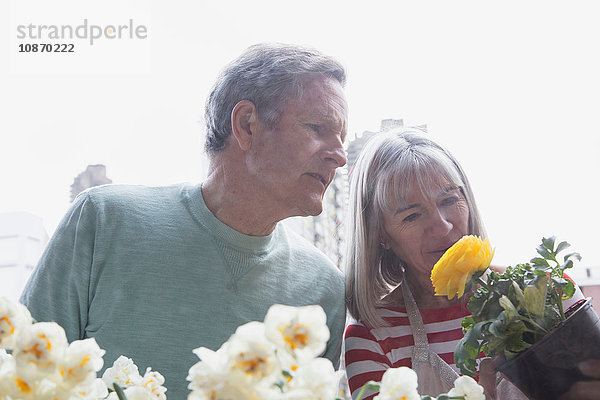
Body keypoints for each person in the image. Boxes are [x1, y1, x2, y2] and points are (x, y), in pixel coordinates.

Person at [20, 43, 348, 399]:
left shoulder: (324, 288)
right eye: (317, 128)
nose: (340, 157)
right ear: (246, 125)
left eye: (343, 139)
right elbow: (19, 374)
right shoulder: (102, 221)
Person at [342, 129, 585, 399]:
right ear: (381, 235)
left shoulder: (549, 291)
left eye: (448, 199)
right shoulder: (369, 337)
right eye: (412, 216)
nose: (442, 226)